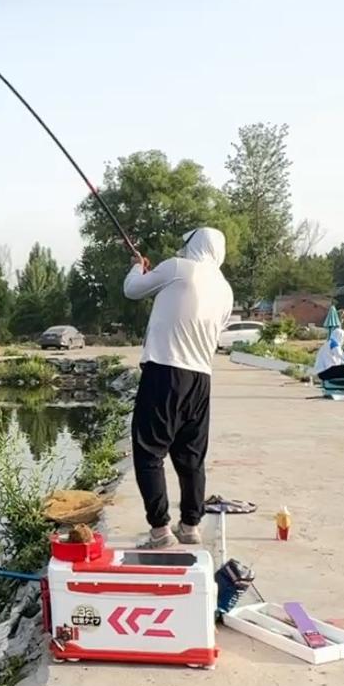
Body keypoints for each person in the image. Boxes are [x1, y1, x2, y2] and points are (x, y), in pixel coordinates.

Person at [123, 228, 234, 549]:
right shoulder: (225, 290)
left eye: (185, 244)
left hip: (164, 372)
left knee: (149, 453)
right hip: (201, 380)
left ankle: (160, 531)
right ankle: (190, 526)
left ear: (193, 245)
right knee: (191, 457)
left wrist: (137, 267)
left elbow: (132, 290)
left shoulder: (176, 267)